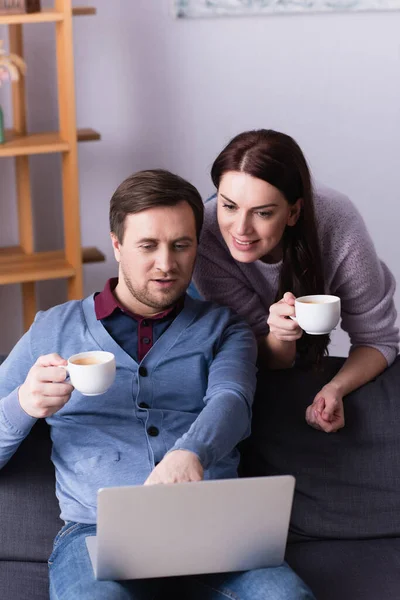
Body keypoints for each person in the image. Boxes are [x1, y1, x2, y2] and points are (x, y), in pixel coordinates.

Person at [0, 169, 315, 600]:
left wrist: (191, 452)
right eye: (148, 246)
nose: (166, 264)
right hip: (95, 533)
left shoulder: (226, 329)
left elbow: (233, 399)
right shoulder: (53, 328)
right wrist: (23, 402)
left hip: (214, 528)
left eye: (181, 245)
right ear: (116, 245)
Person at [193, 129, 399, 434]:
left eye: (262, 213)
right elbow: (258, 358)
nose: (241, 229)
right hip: (247, 364)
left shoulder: (337, 223)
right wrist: (280, 336)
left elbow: (378, 339)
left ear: (293, 212)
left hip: (305, 363)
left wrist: (336, 388)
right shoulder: (207, 235)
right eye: (228, 205)